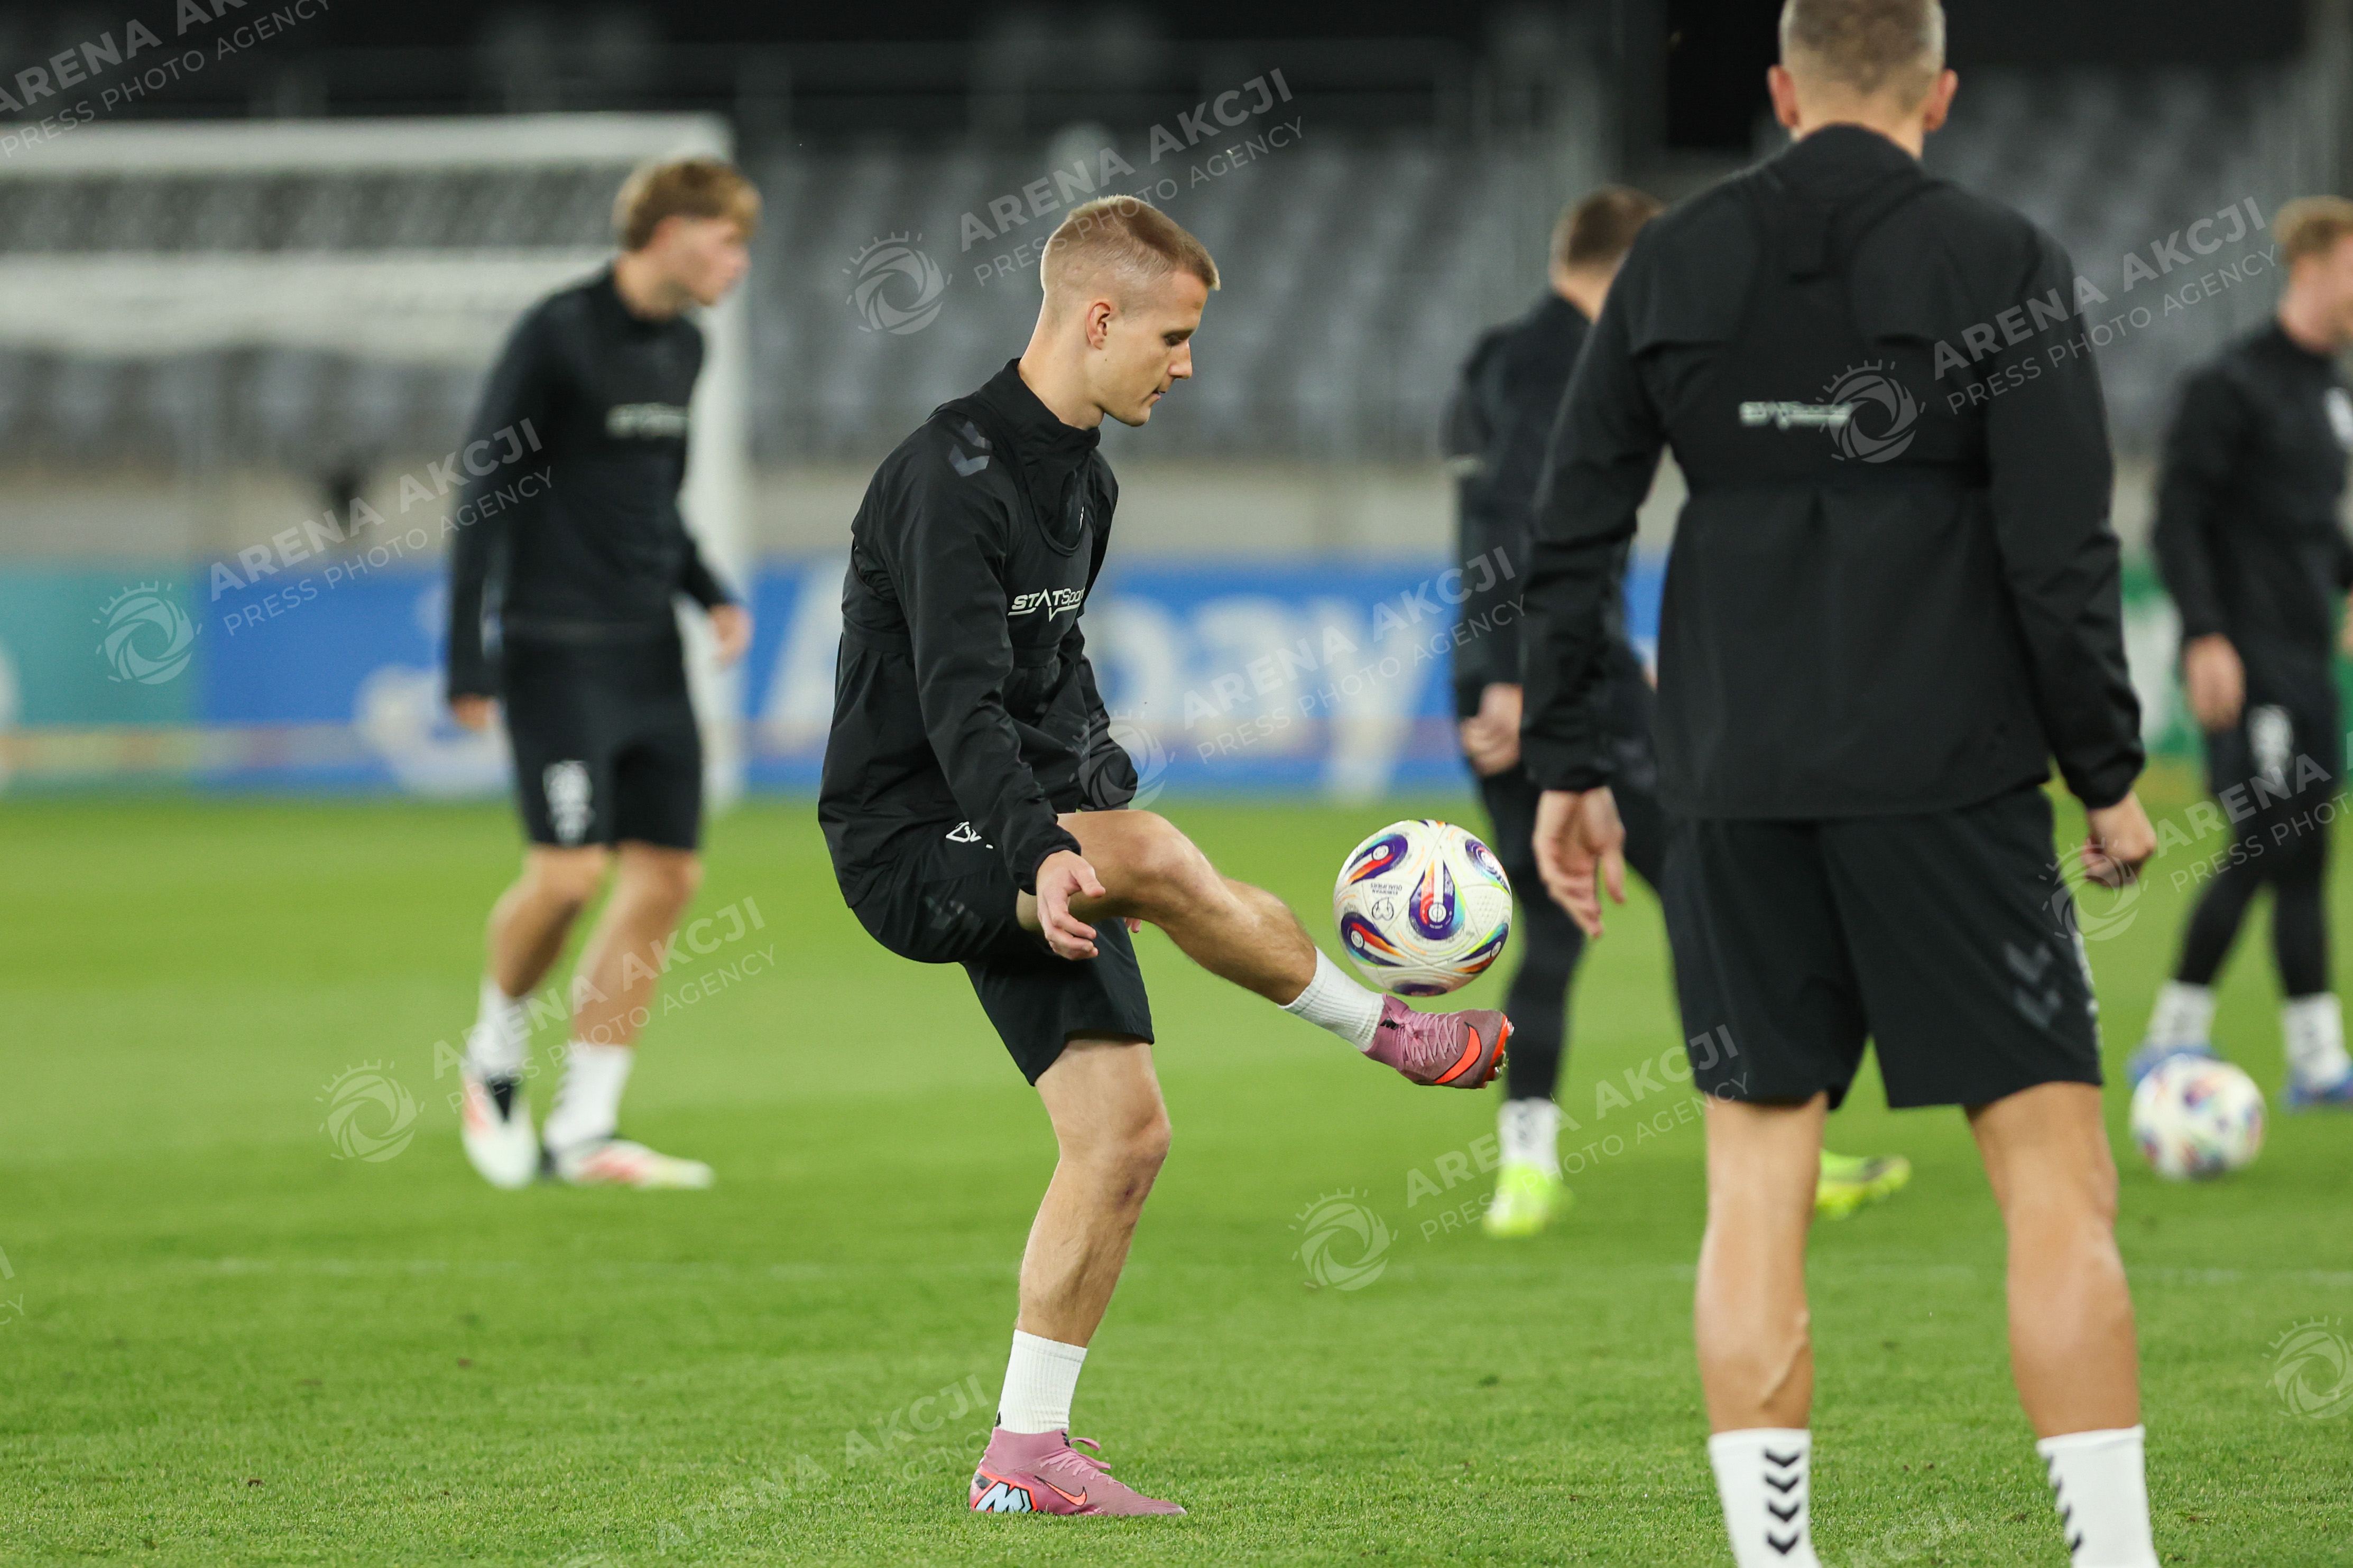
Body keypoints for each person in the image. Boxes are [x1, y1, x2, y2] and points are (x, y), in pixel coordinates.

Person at [1519, 4, 2162, 1565]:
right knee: (2055, 1181)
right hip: (1949, 777)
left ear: (1779, 89)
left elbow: (1571, 529)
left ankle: (1774, 1559)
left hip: (1731, 777)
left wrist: (1568, 762)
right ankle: (2114, 1553)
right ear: (1938, 93)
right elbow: (2061, 550)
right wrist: (2105, 773)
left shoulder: (1672, 258)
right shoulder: (2000, 256)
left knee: (1754, 1181)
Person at [818, 195, 1510, 1517]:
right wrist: (1052, 847)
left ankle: (1025, 1454)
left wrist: (1094, 800)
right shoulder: (946, 475)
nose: (1188, 365)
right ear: (1098, 318)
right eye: (1175, 336)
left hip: (1023, 831)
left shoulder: (1087, 478)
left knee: (1127, 1138)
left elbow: (1056, 668)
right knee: (1152, 851)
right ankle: (1390, 1032)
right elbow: (961, 706)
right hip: (909, 837)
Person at [1450, 184, 1911, 1238]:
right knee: (1715, 894)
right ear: (1632, 267)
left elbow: (1486, 517)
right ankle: (1778, 1151)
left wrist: (1497, 668)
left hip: (1530, 670)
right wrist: (1528, 674)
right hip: (1560, 677)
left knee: (1557, 914)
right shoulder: (1571, 355)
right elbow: (1525, 518)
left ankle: (1526, 1168)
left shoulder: (1496, 355)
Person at [445, 158, 758, 1191]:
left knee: (668, 876)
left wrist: (708, 590)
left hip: (648, 651)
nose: (738, 263)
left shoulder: (687, 347)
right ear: (669, 232)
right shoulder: (559, 334)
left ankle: (586, 1127)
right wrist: (466, 650)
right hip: (555, 649)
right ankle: (493, 1059)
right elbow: (484, 485)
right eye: (727, 241)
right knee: (570, 876)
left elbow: (653, 499)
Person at [2134, 196, 2353, 1107]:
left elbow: (2313, 529)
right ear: (2313, 265)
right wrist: (2204, 634)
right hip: (2249, 656)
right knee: (2266, 836)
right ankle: (2169, 1039)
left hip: (2308, 659)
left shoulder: (2334, 394)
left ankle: (2318, 1062)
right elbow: (2177, 519)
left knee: (2307, 847)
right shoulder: (2230, 384)